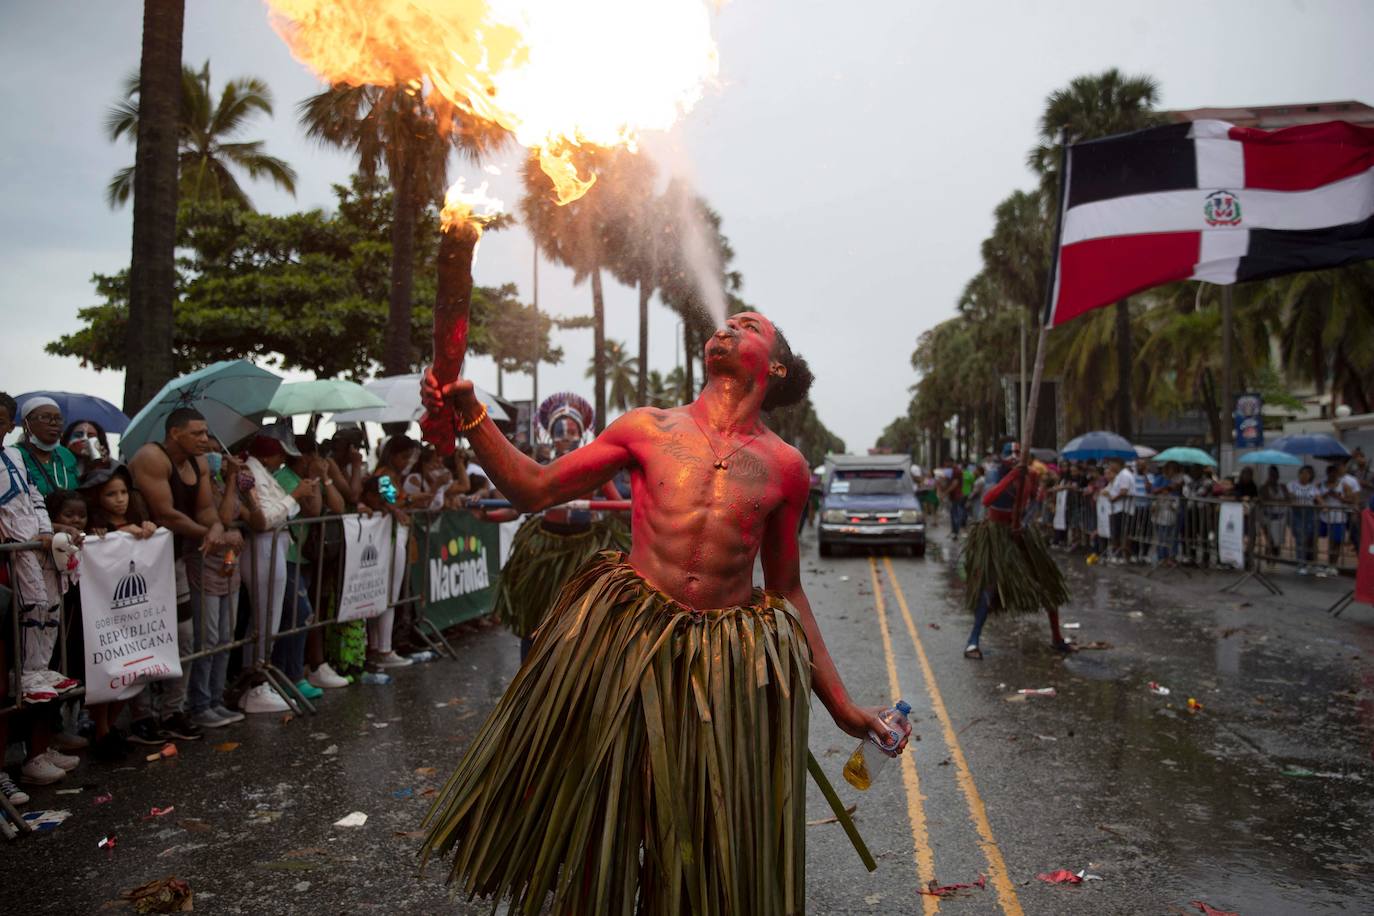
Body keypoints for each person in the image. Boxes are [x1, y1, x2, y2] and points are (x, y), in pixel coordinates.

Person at [419, 312, 908, 913]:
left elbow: (786, 590)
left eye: (747, 325)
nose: (727, 327)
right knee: (601, 819)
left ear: (774, 364)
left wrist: (841, 707)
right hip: (626, 649)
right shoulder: (646, 428)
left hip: (722, 672)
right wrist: (470, 414)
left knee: (696, 840)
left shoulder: (787, 467)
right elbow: (534, 488)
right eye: (725, 322)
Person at [491, 392, 631, 661]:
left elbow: (619, 509)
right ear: (550, 436)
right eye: (560, 431)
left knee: (583, 623)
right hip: (543, 550)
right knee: (536, 619)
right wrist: (488, 515)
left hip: (584, 551)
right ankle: (529, 675)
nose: (565, 437)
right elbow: (514, 509)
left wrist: (646, 508)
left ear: (581, 434)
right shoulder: (540, 470)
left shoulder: (595, 467)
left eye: (570, 431)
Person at [128, 407, 239, 743]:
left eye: (206, 433)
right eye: (197, 433)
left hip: (175, 560)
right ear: (175, 433)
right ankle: (141, 714)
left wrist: (216, 526)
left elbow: (205, 509)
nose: (205, 440)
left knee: (186, 636)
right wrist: (207, 535)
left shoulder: (200, 462)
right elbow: (166, 513)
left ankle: (173, 710)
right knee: (141, 639)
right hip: (141, 563)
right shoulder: (151, 457)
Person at [1, 393, 79, 786]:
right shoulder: (19, 452)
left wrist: (47, 531)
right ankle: (27, 673)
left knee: (49, 606)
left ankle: (38, 669)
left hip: (37, 542)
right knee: (30, 605)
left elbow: (31, 494)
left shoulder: (13, 459)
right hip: (12, 548)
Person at [961, 438, 1072, 660]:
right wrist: (1012, 476)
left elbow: (1034, 501)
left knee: (1048, 581)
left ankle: (1057, 638)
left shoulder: (1031, 475)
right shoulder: (996, 474)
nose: (1014, 460)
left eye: (1018, 456)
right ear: (1003, 458)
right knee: (989, 586)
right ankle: (973, 641)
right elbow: (987, 499)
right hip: (996, 533)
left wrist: (1025, 521)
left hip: (1021, 532)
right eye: (1010, 456)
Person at [79, 465, 160, 755]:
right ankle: (100, 729)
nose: (120, 499)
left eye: (123, 492)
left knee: (133, 670)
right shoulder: (96, 527)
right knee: (107, 672)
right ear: (97, 497)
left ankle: (109, 727)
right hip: (105, 614)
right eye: (111, 494)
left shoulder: (137, 520)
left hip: (134, 615)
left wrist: (148, 530)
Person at [14, 397, 80, 497]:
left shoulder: (65, 454)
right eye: (45, 417)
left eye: (58, 418)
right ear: (25, 424)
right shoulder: (13, 456)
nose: (53, 423)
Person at [1318, 462, 1360, 577]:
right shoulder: (1321, 484)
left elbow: (1352, 500)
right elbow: (1315, 498)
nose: (1333, 475)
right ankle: (1320, 563)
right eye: (1331, 473)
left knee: (1336, 541)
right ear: (1327, 473)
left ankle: (1333, 565)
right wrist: (1326, 494)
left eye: (1335, 473)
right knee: (1323, 540)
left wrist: (1339, 497)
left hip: (1339, 517)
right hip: (1324, 517)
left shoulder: (1344, 485)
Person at [1287, 465, 1321, 576]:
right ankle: (1301, 564)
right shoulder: (1292, 484)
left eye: (1308, 473)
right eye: (1303, 473)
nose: (1305, 475)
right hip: (1297, 514)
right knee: (1300, 539)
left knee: (1309, 539)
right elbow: (1290, 498)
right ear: (1299, 474)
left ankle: (1309, 562)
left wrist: (1324, 506)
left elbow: (1318, 498)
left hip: (1310, 514)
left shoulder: (1313, 487)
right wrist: (1294, 502)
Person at [1105, 456, 1135, 565]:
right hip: (1118, 509)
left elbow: (1123, 491)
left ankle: (1121, 555)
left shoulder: (1124, 475)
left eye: (1111, 463)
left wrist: (1113, 498)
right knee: (1117, 533)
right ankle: (1119, 554)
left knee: (1120, 533)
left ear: (1118, 463)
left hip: (1122, 509)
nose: (1110, 466)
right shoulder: (1120, 475)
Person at [1258, 465, 1288, 568]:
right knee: (1269, 539)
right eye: (1271, 475)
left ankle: (1274, 558)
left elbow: (1287, 499)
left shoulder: (1282, 487)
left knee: (1277, 541)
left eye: (1275, 475)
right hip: (1267, 517)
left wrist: (1275, 501)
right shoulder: (1264, 487)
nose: (1273, 477)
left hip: (1280, 518)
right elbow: (1264, 499)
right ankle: (1269, 559)